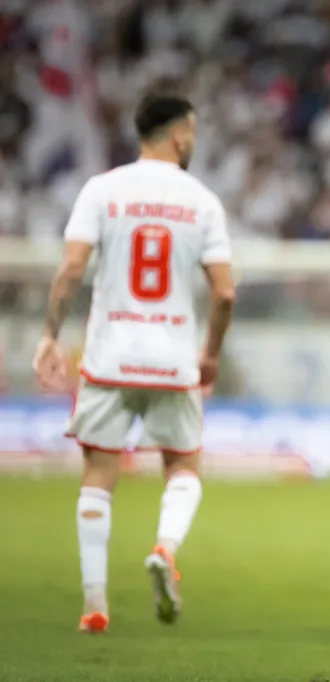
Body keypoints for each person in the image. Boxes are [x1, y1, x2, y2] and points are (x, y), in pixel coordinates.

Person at [33, 94, 236, 634]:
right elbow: (225, 293)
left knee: (98, 477)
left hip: (109, 358)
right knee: (183, 469)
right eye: (191, 131)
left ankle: (94, 605)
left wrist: (51, 336)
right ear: (179, 136)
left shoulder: (102, 190)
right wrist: (210, 354)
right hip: (173, 360)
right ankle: (165, 550)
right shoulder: (202, 201)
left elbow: (71, 269)